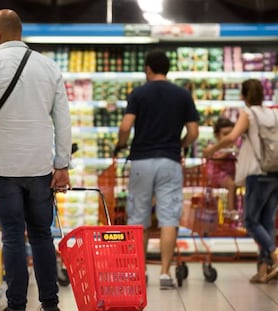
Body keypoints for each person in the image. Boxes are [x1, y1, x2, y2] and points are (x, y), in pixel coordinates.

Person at [0, 9, 72, 311]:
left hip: (1, 167)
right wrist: (62, 164)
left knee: (12, 235)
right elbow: (63, 120)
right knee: (41, 235)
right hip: (39, 168)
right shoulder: (49, 68)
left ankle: (16, 306)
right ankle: (50, 304)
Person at [114, 49, 199, 289]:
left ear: (148, 69)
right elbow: (193, 132)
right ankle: (164, 274)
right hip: (169, 162)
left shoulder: (139, 93)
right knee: (169, 217)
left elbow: (125, 125)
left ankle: (139, 272)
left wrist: (121, 144)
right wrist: (179, 146)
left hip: (141, 161)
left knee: (138, 218)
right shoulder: (183, 94)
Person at [203, 79, 278, 283]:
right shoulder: (273, 112)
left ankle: (274, 254)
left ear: (244, 96)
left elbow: (231, 137)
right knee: (267, 222)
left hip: (257, 172)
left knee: (251, 221)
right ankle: (264, 270)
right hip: (275, 171)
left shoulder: (248, 114)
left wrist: (211, 149)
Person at [206, 117, 236, 211]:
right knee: (231, 185)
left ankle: (238, 208)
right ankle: (231, 212)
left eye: (231, 133)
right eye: (225, 134)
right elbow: (217, 160)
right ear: (217, 135)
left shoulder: (235, 146)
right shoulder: (213, 147)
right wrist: (227, 151)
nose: (229, 137)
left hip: (231, 174)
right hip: (216, 173)